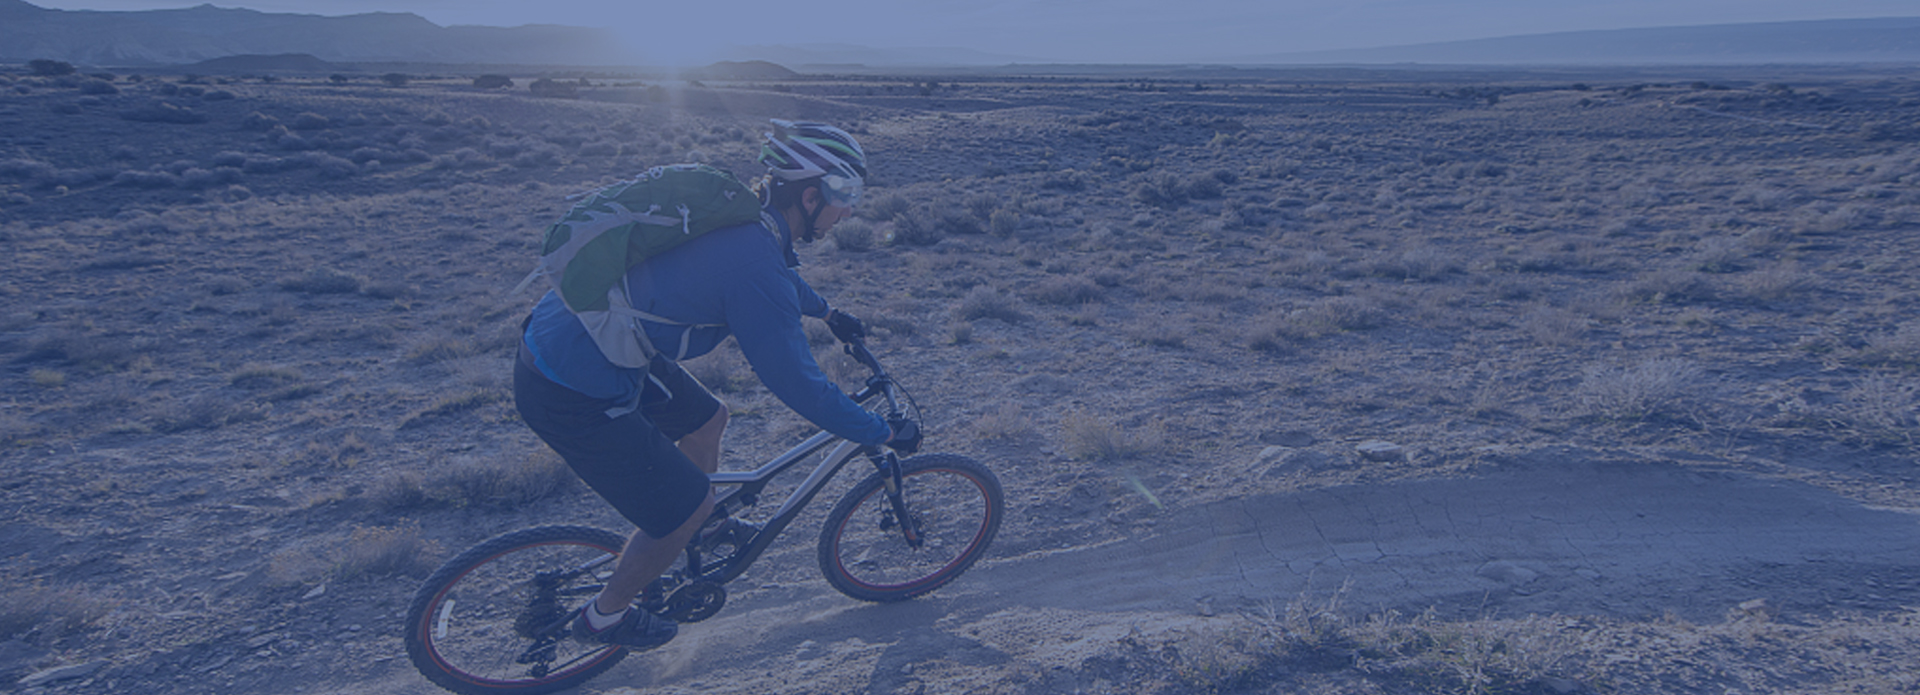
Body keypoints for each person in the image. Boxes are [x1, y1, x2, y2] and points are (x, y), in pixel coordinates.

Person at [512, 119, 920, 650]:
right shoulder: (754, 263)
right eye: (846, 194)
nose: (849, 211)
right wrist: (879, 432)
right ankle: (605, 616)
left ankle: (698, 532)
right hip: (569, 383)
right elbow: (799, 385)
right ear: (811, 195)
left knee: (708, 420)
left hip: (582, 333)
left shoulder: (747, 220)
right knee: (685, 507)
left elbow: (770, 271)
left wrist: (827, 312)